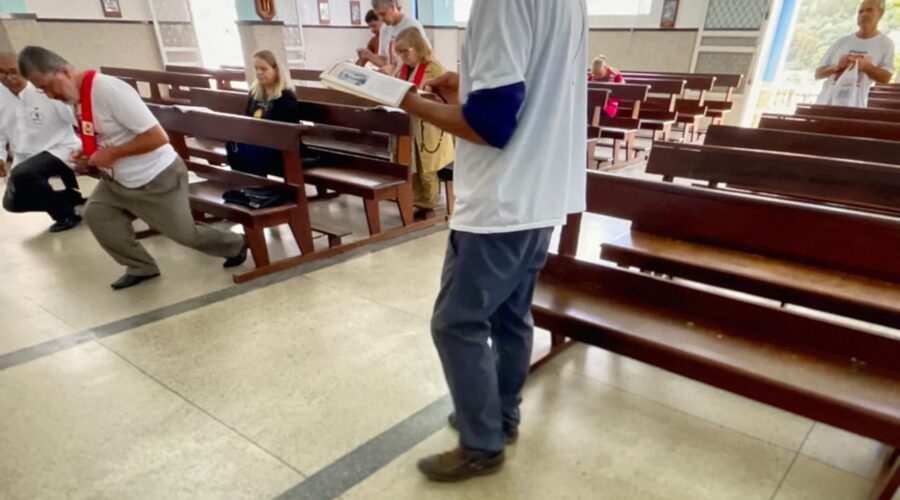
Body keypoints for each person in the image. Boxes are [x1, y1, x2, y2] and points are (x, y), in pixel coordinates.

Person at [398, 0, 587, 482]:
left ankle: (482, 443)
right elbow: (532, 91)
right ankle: (500, 418)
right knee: (510, 316)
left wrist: (410, 101)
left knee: (456, 323)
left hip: (502, 202)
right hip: (542, 192)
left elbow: (492, 125)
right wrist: (465, 91)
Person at [18, 46, 248, 290]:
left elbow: (158, 137)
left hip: (156, 176)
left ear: (64, 71)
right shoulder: (76, 99)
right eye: (41, 90)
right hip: (118, 180)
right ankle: (141, 266)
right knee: (97, 215)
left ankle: (235, 244)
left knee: (184, 234)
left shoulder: (108, 91)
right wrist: (88, 155)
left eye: (45, 86)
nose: (48, 95)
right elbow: (102, 135)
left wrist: (112, 154)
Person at [0, 51, 84, 232]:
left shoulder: (44, 89)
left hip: (60, 149)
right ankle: (69, 199)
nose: (8, 77)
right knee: (12, 203)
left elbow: (76, 118)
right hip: (25, 155)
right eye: (2, 72)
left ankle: (65, 215)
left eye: (13, 71)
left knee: (23, 175)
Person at [392, 27, 454, 219]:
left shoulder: (433, 66)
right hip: (409, 123)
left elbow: (444, 96)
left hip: (430, 127)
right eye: (400, 52)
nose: (403, 56)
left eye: (406, 51)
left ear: (418, 47)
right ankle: (416, 201)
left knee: (427, 169)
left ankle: (430, 203)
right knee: (413, 166)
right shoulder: (401, 68)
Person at [227, 49, 299, 178]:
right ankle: (246, 183)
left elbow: (287, 131)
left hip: (280, 147)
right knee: (233, 145)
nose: (259, 72)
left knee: (249, 151)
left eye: (264, 69)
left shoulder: (286, 97)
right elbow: (247, 119)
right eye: (256, 68)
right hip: (259, 141)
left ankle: (257, 186)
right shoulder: (255, 93)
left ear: (275, 69)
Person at [815, 0, 895, 106]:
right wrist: (836, 67)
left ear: (880, 13)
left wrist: (866, 67)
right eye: (860, 12)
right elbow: (818, 74)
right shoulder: (842, 42)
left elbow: (886, 78)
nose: (864, 14)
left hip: (856, 107)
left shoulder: (886, 44)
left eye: (869, 10)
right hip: (825, 104)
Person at [356, 0, 427, 74]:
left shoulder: (412, 25)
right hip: (393, 76)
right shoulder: (384, 28)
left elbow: (423, 57)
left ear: (393, 6)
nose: (381, 18)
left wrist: (395, 68)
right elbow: (386, 61)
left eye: (383, 14)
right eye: (378, 15)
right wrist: (369, 55)